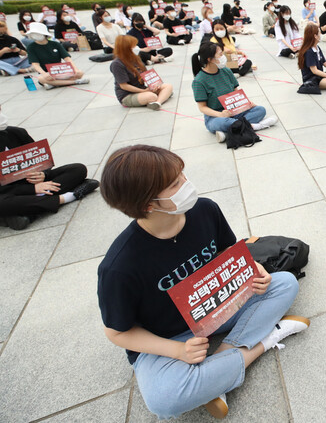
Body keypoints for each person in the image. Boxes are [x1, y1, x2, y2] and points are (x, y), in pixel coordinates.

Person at [97, 145, 308, 420]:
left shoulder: (204, 210)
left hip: (215, 308)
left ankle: (219, 367)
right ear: (148, 204)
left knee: (285, 283)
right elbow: (116, 332)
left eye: (182, 174)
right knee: (164, 400)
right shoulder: (119, 267)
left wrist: (252, 270)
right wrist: (177, 350)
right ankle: (265, 342)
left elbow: (227, 253)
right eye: (175, 183)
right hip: (167, 336)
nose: (186, 184)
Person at [0, 106, 99, 230]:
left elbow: (42, 161)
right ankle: (70, 196)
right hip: (9, 192)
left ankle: (28, 212)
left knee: (78, 169)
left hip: (34, 182)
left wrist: (43, 175)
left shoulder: (16, 132)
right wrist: (32, 190)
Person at [191, 42, 277, 143]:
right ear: (210, 59)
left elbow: (236, 92)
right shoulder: (199, 81)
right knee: (224, 123)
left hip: (235, 110)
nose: (224, 57)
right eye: (220, 54)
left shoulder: (226, 71)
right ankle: (257, 126)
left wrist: (247, 104)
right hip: (216, 117)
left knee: (260, 110)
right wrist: (220, 114)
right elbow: (202, 107)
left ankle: (229, 133)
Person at [110, 35, 173, 110]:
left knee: (168, 86)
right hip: (127, 94)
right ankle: (160, 97)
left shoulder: (136, 58)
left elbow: (146, 75)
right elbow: (124, 86)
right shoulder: (117, 64)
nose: (136, 48)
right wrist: (143, 91)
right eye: (133, 46)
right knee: (152, 96)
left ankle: (158, 103)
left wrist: (154, 85)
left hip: (142, 88)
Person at [25, 22, 89, 90]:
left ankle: (55, 84)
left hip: (60, 71)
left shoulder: (55, 44)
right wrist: (44, 74)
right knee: (41, 79)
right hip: (47, 73)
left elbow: (67, 58)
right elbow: (35, 64)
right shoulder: (31, 47)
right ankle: (74, 82)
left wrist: (75, 69)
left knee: (80, 73)